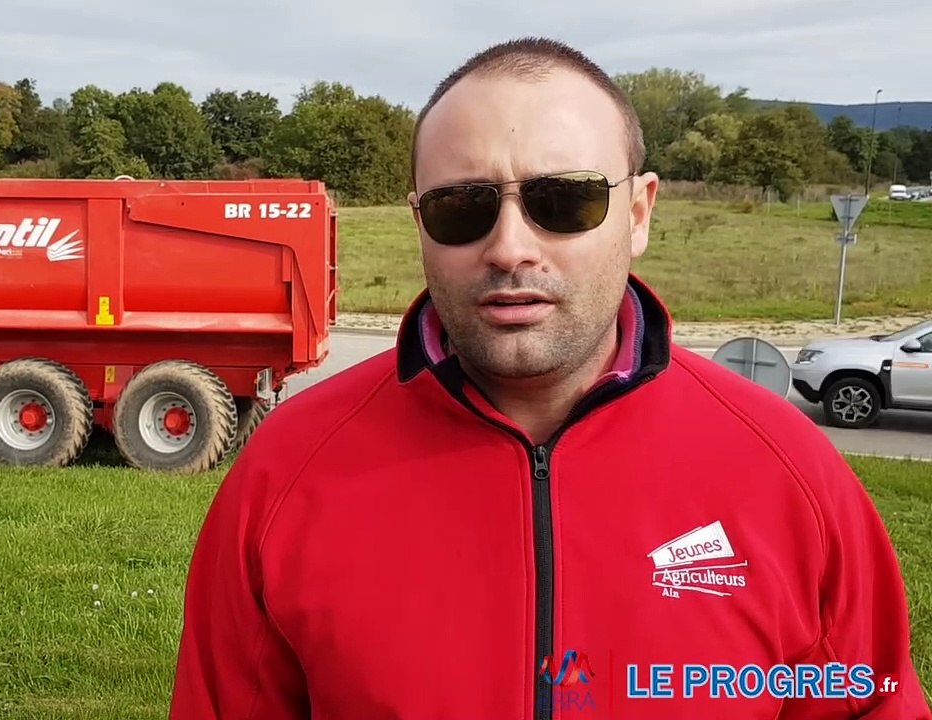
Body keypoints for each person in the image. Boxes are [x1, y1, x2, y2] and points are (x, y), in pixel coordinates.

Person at [168, 37, 930, 719]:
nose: (508, 248)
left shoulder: (792, 475)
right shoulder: (285, 473)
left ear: (639, 212)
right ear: (420, 227)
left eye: (563, 200)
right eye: (462, 207)